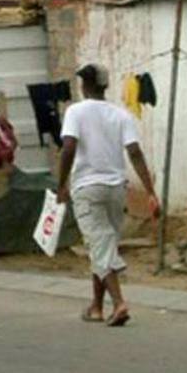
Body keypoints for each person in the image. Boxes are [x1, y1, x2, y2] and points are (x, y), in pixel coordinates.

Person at [57, 63, 159, 327]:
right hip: (116, 189)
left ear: (83, 85)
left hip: (87, 188)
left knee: (100, 245)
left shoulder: (75, 112)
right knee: (102, 245)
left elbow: (68, 148)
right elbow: (135, 152)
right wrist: (150, 191)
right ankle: (96, 307)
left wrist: (61, 183)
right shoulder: (120, 114)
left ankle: (119, 303)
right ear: (106, 85)